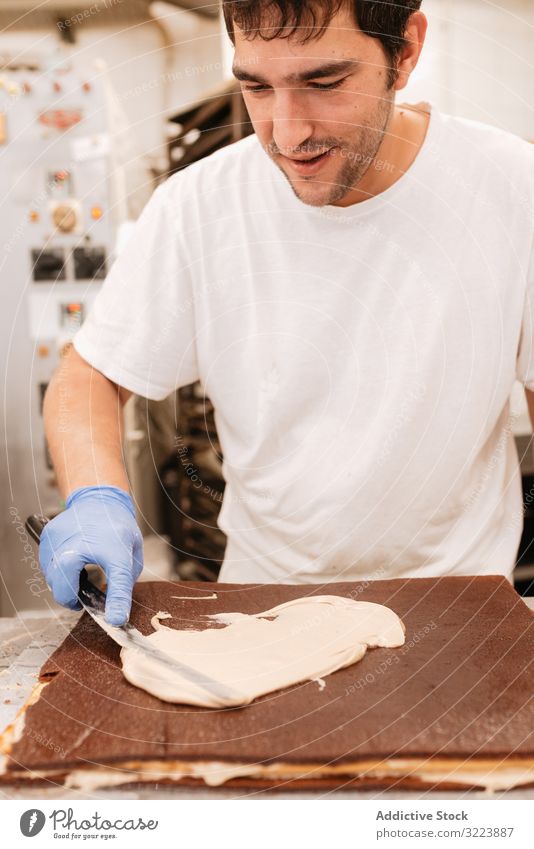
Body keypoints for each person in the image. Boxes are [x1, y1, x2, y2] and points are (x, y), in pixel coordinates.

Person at [41, 0, 534, 625]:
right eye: (257, 87)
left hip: (459, 614)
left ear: (405, 50)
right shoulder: (199, 206)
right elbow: (89, 376)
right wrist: (95, 495)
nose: (286, 132)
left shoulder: (512, 188)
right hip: (265, 614)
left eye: (324, 84)